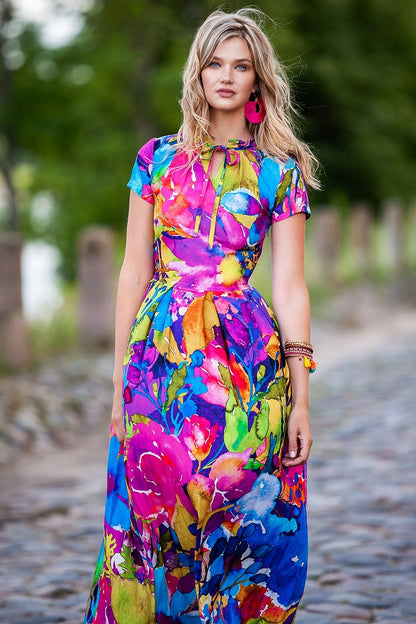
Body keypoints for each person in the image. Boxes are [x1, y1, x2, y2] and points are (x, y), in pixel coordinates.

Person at [84, 7, 319, 624]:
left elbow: (291, 287)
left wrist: (301, 400)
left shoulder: (278, 172)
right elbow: (132, 272)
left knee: (240, 509)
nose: (226, 76)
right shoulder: (156, 159)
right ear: (198, 72)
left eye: (240, 66)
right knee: (155, 515)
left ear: (257, 79)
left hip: (246, 365)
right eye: (215, 63)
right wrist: (117, 382)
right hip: (158, 362)